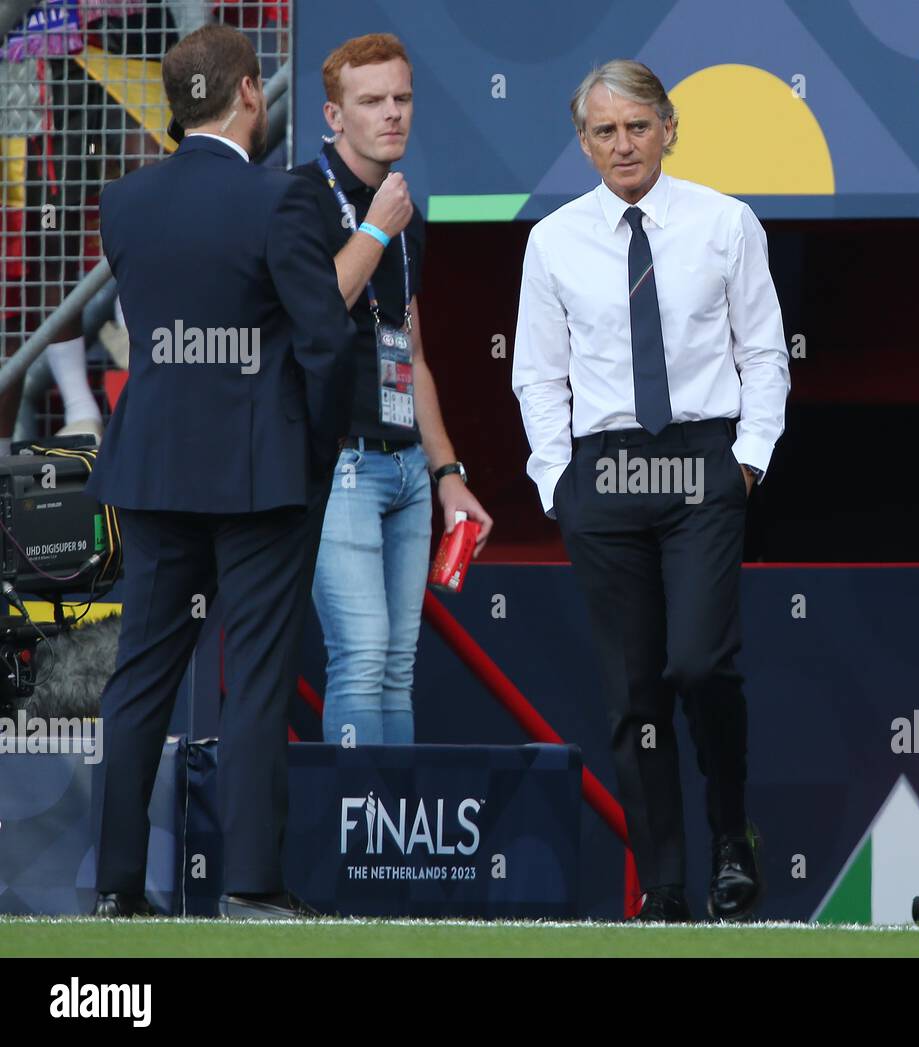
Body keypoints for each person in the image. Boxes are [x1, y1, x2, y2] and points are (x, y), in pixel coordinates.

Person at [512, 60, 790, 921]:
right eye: (604, 131)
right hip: (602, 474)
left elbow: (765, 353)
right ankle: (665, 886)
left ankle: (730, 835)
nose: (622, 144)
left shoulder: (726, 222)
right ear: (583, 141)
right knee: (632, 695)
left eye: (637, 126)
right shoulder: (553, 239)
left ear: (670, 127)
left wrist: (748, 461)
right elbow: (537, 375)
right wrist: (559, 482)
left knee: (700, 664)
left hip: (704, 463)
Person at [88, 25, 355, 919]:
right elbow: (326, 342)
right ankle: (250, 887)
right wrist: (313, 455)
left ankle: (118, 889)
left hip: (156, 467)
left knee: (140, 678)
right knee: (259, 679)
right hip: (258, 475)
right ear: (250, 92)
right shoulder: (285, 201)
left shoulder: (122, 202)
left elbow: (164, 332)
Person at [293, 33, 491, 746]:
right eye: (371, 101)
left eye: (402, 98)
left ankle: (389, 854)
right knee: (362, 653)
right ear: (332, 116)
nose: (392, 114)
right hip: (341, 463)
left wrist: (448, 472)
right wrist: (376, 228)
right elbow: (319, 311)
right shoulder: (301, 198)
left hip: (406, 461)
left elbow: (409, 349)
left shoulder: (405, 208)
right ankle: (356, 849)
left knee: (397, 667)